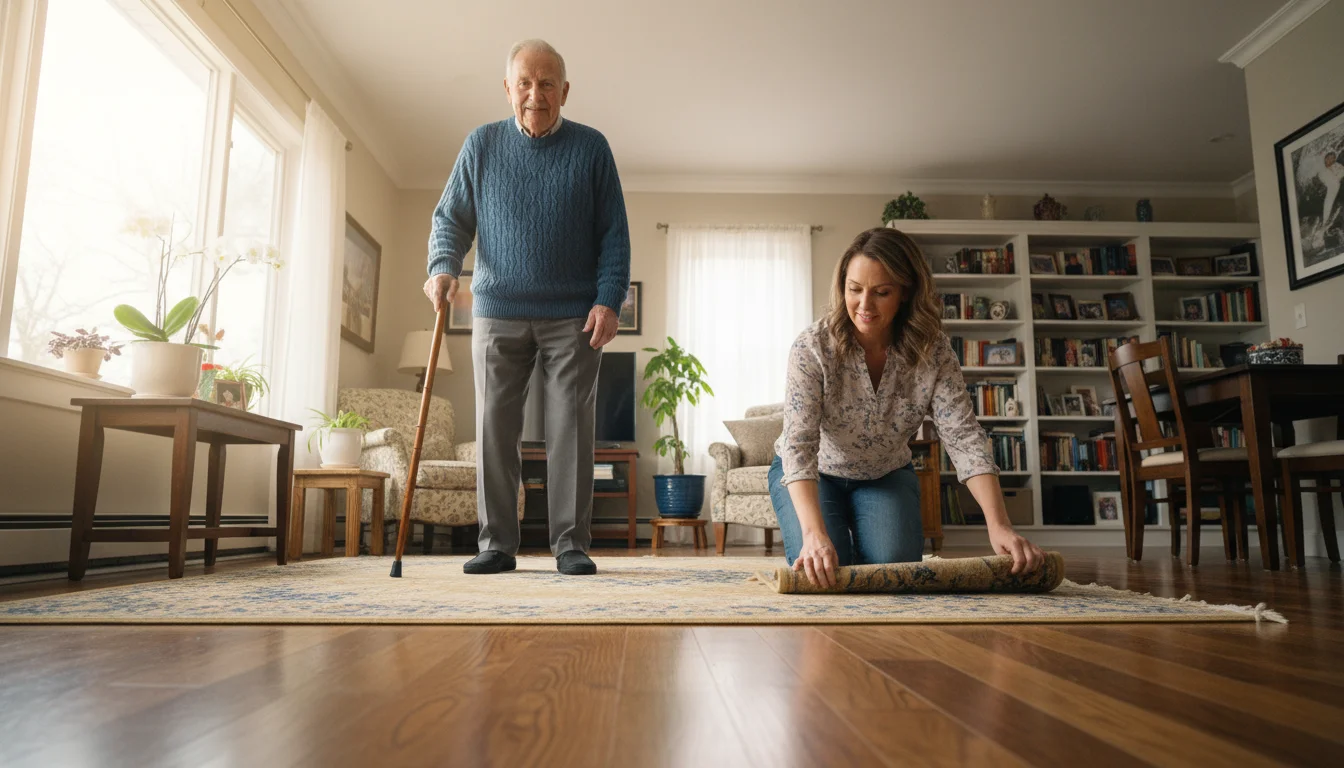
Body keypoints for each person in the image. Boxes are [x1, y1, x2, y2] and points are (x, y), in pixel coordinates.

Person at [423, 39, 631, 576]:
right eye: (525, 83)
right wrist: (443, 266)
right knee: (495, 427)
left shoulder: (592, 148)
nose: (535, 95)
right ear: (508, 88)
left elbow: (614, 237)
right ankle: (496, 543)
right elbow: (450, 219)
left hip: (573, 315)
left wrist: (608, 301)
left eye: (546, 84)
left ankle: (570, 544)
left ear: (564, 90)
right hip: (498, 308)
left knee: (571, 429)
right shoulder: (482, 145)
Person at [769, 227, 1044, 587]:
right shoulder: (812, 348)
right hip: (814, 474)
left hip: (885, 475)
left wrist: (999, 525)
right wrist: (813, 533)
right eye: (855, 290)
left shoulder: (934, 351)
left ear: (905, 292)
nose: (864, 305)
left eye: (881, 292)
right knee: (827, 571)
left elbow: (963, 437)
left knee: (893, 575)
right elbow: (798, 444)